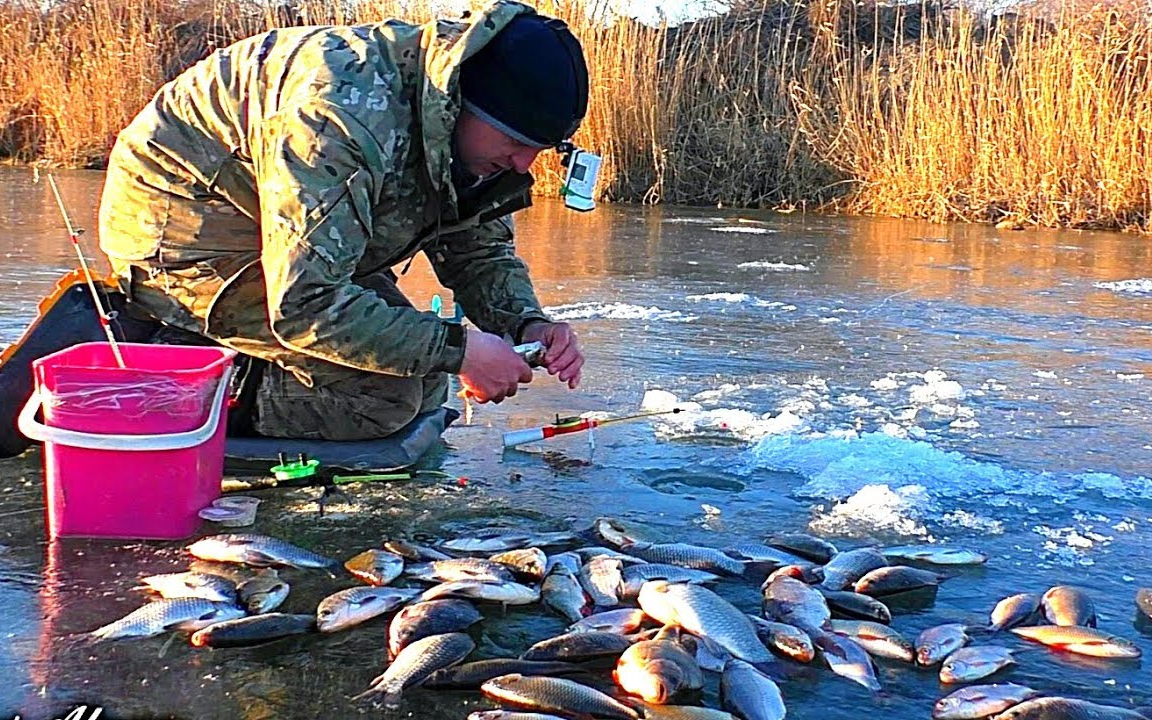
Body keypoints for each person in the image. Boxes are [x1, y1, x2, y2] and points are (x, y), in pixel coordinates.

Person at [96, 0, 588, 441]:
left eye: (540, 151)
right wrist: (460, 352)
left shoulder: (461, 134)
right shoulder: (339, 120)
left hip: (278, 225)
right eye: (516, 142)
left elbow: (477, 250)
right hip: (183, 230)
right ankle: (166, 376)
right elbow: (305, 303)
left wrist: (525, 324)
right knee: (382, 401)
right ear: (463, 103)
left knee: (426, 378)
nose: (525, 165)